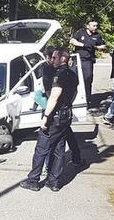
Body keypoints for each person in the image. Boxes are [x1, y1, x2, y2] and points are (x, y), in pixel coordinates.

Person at [22, 49, 84, 192]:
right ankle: (54, 181)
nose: (52, 60)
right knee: (59, 149)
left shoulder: (60, 75)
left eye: (55, 57)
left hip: (54, 117)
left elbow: (54, 97)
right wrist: (66, 106)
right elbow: (74, 94)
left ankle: (33, 180)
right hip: (65, 116)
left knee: (41, 149)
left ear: (63, 58)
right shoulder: (72, 74)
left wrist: (45, 117)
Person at [69, 20, 107, 107]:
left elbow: (103, 47)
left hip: (88, 61)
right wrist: (83, 45)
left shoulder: (97, 36)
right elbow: (72, 41)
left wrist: (97, 47)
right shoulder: (80, 33)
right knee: (73, 79)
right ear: (88, 26)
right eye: (93, 25)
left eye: (96, 26)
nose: (95, 27)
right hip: (77, 60)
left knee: (87, 79)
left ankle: (87, 100)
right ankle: (71, 100)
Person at [35, 46, 58, 110]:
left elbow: (47, 88)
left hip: (51, 102)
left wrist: (52, 101)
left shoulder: (47, 68)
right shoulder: (60, 68)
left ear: (47, 57)